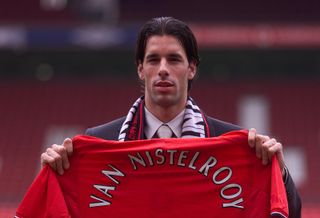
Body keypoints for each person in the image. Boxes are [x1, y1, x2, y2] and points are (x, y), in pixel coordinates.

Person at [40, 17, 301, 217]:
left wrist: (280, 172)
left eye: (174, 59)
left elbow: (287, 213)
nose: (163, 69)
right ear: (141, 69)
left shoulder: (234, 144)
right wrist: (54, 178)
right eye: (153, 59)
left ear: (192, 68)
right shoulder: (98, 142)